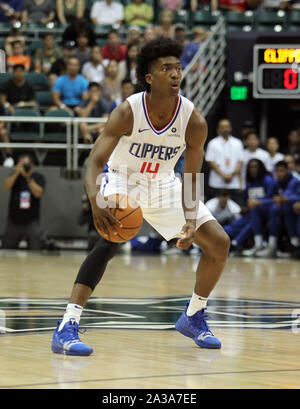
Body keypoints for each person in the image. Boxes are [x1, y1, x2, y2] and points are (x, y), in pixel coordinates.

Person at [51, 37, 230, 356]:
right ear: (149, 77)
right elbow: (94, 161)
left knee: (218, 242)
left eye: (178, 68)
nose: (176, 74)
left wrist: (189, 221)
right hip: (123, 179)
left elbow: (190, 176)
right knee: (109, 241)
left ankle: (193, 315)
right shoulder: (128, 112)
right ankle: (67, 325)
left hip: (163, 183)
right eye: (166, 68)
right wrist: (95, 199)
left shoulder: (193, 120)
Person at [244, 161, 300, 258]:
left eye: (282, 171)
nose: (279, 173)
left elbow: (288, 197)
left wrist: (287, 199)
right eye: (277, 171)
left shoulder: (294, 181)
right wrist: (257, 201)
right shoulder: (276, 182)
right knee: (256, 208)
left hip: (291, 208)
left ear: (287, 171)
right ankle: (260, 244)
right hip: (280, 208)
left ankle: (294, 244)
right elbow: (270, 197)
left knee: (276, 208)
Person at [225, 159, 275, 254]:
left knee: (251, 223)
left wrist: (259, 202)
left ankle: (237, 243)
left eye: (255, 167)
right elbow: (247, 200)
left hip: (266, 213)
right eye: (251, 167)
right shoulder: (250, 183)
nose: (253, 169)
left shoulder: (267, 180)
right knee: (232, 226)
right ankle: (203, 247)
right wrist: (246, 208)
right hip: (251, 213)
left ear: (260, 168)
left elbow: (274, 199)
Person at [2, 153, 46, 250]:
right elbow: (5, 186)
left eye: (26, 165)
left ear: (32, 165)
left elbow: (38, 193)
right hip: (13, 220)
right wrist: (16, 172)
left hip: (31, 221)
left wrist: (28, 177)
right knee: (6, 249)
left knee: (36, 248)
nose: (24, 167)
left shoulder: (38, 177)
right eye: (22, 164)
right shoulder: (15, 176)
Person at [205, 119, 244, 205]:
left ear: (230, 128)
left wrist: (231, 175)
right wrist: (223, 174)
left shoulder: (237, 143)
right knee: (213, 208)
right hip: (217, 182)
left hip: (233, 182)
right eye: (222, 127)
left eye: (227, 127)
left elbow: (240, 161)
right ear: (218, 129)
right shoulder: (213, 143)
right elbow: (210, 161)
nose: (225, 129)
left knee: (236, 208)